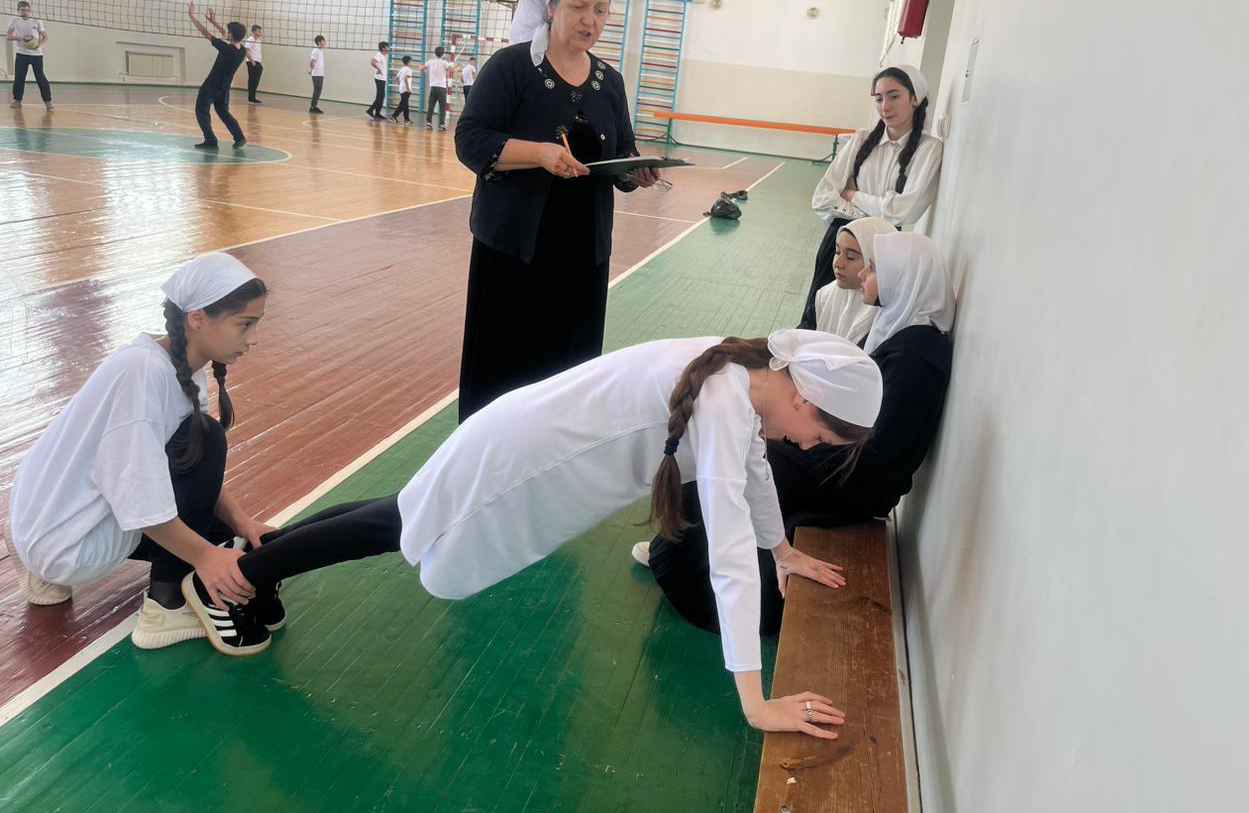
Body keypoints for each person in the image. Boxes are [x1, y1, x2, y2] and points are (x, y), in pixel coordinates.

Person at [173, 329, 882, 741]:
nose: (809, 446)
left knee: (402, 511)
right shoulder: (728, 402)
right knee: (402, 523)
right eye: (820, 434)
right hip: (521, 462)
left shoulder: (745, 370)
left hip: (521, 437)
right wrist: (755, 701)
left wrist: (781, 550)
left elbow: (753, 473)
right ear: (804, 396)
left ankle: (256, 560)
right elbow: (727, 554)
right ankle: (235, 580)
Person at [640, 233, 955, 634]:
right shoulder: (903, 330)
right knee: (756, 454)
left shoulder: (916, 358)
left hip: (860, 479)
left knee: (759, 460)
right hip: (847, 464)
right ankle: (678, 549)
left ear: (906, 279)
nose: (863, 274)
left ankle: (694, 573)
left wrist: (807, 448)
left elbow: (881, 452)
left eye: (873, 268)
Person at [3, 253, 276, 653]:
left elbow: (190, 471)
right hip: (73, 546)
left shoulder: (173, 364)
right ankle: (166, 607)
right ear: (198, 318)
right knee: (208, 447)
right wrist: (204, 558)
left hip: (46, 515)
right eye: (245, 324)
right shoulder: (143, 373)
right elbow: (140, 497)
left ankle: (31, 547)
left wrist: (242, 522)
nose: (253, 339)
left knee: (224, 535)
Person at [452, 0, 661, 422]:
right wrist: (540, 154)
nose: (591, 20)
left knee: (568, 369)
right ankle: (491, 448)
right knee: (503, 365)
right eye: (579, 7)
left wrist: (634, 170)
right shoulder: (511, 67)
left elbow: (621, 149)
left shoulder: (609, 81)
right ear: (551, 7)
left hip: (583, 252)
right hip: (515, 248)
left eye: (601, 11)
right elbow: (470, 139)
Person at [800, 65, 943, 327]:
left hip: (883, 252)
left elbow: (903, 211)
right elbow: (822, 197)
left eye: (894, 96)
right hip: (842, 240)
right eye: (878, 99)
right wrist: (872, 213)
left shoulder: (928, 148)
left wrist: (853, 195)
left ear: (915, 98)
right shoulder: (861, 140)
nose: (885, 106)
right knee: (817, 316)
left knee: (865, 324)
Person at [804, 216, 897, 345]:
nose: (838, 263)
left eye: (851, 257)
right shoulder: (826, 295)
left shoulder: (888, 316)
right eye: (837, 252)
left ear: (878, 262)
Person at [186, 4, 248, 151]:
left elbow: (205, 33)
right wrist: (213, 21)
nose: (226, 33)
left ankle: (211, 140)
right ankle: (239, 137)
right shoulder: (242, 51)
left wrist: (192, 16)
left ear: (231, 35)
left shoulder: (227, 49)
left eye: (228, 32)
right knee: (223, 112)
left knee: (201, 110)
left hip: (211, 85)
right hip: (225, 87)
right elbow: (226, 35)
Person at [7, 1, 53, 110]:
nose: (25, 12)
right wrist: (21, 38)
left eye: (27, 10)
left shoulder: (37, 21)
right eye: (23, 10)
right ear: (18, 11)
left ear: (30, 10)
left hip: (36, 55)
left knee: (40, 77)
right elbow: (9, 36)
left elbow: (45, 37)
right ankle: (17, 100)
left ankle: (48, 101)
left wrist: (38, 44)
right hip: (22, 54)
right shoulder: (14, 21)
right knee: (19, 78)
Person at [422, 46, 452, 131]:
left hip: (433, 88)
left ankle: (428, 123)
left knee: (431, 106)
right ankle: (441, 125)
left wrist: (423, 68)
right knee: (442, 107)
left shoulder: (430, 62)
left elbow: (422, 68)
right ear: (443, 54)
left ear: (435, 53)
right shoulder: (444, 62)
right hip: (441, 88)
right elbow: (452, 70)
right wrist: (458, 66)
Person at [367, 41, 390, 120]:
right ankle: (370, 110)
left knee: (381, 96)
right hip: (379, 78)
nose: (389, 48)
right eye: (387, 47)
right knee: (380, 96)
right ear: (383, 48)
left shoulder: (383, 56)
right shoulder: (379, 55)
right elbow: (372, 61)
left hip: (382, 79)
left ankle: (377, 113)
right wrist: (379, 69)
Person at [244, 25, 264, 104]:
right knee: (252, 80)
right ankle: (251, 98)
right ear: (254, 31)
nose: (260, 32)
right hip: (252, 62)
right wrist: (252, 62)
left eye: (260, 31)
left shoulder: (258, 40)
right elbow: (247, 51)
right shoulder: (250, 39)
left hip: (258, 62)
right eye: (259, 31)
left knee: (256, 81)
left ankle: (253, 97)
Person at [391, 55, 414, 124]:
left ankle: (407, 119)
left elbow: (396, 78)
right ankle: (393, 117)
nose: (412, 62)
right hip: (406, 89)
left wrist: (400, 85)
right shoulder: (409, 69)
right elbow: (405, 78)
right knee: (403, 105)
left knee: (405, 105)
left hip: (402, 88)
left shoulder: (402, 69)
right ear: (408, 62)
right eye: (411, 61)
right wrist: (408, 88)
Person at [308, 35, 327, 114]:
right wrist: (312, 70)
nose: (325, 42)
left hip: (320, 73)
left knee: (318, 90)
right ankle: (312, 107)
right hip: (317, 74)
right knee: (317, 90)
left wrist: (311, 70)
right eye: (323, 41)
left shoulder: (321, 51)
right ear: (319, 42)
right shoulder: (316, 51)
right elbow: (311, 62)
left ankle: (314, 106)